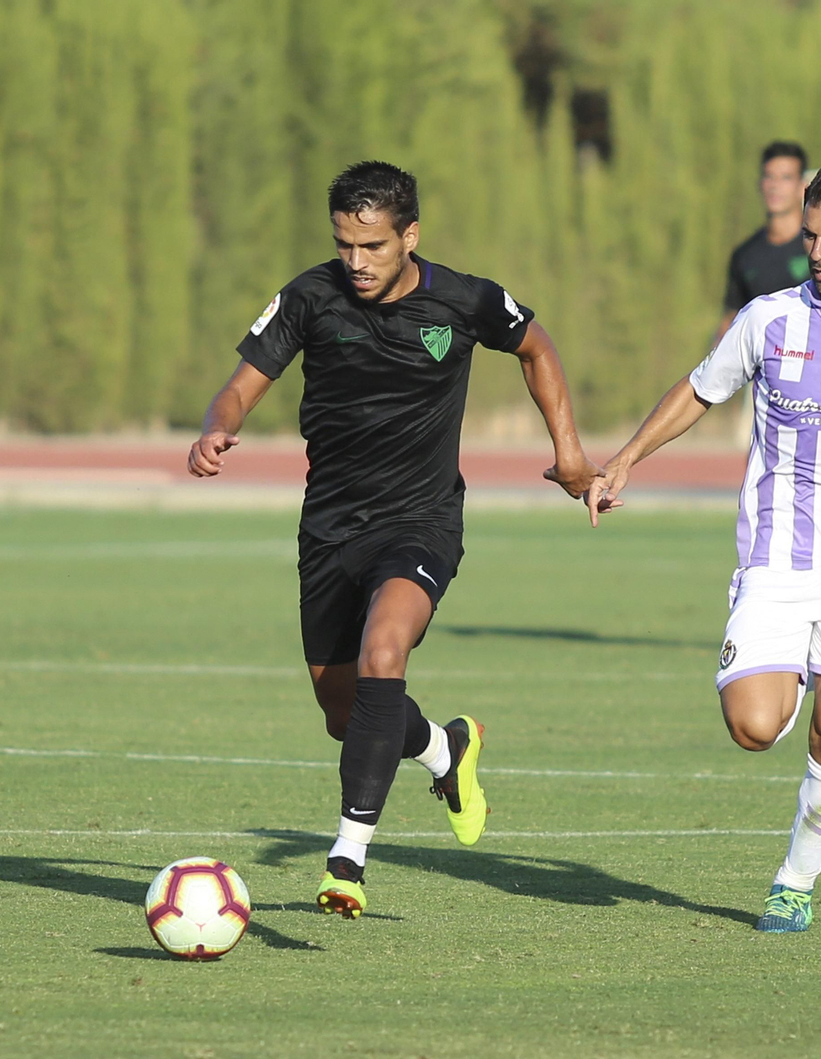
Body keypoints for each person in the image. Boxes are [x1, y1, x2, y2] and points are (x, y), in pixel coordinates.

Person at [187, 161, 597, 918]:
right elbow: (242, 383)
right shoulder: (310, 296)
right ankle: (446, 749)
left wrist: (569, 451)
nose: (357, 262)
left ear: (410, 236)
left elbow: (537, 349)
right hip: (329, 527)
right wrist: (219, 427)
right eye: (345, 244)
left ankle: (347, 859)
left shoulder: (464, 299)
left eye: (372, 245)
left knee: (385, 655)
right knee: (347, 714)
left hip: (421, 519)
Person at [585, 163, 821, 933]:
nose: (819, 251)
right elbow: (700, 388)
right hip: (773, 563)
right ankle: (790, 665)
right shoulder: (769, 320)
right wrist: (626, 457)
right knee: (755, 726)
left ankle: (795, 879)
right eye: (810, 235)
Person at [714, 142, 811, 345]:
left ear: (803, 187)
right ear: (760, 183)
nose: (775, 185)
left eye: (786, 177)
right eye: (769, 176)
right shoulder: (745, 255)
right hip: (765, 370)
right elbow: (730, 322)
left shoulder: (820, 246)